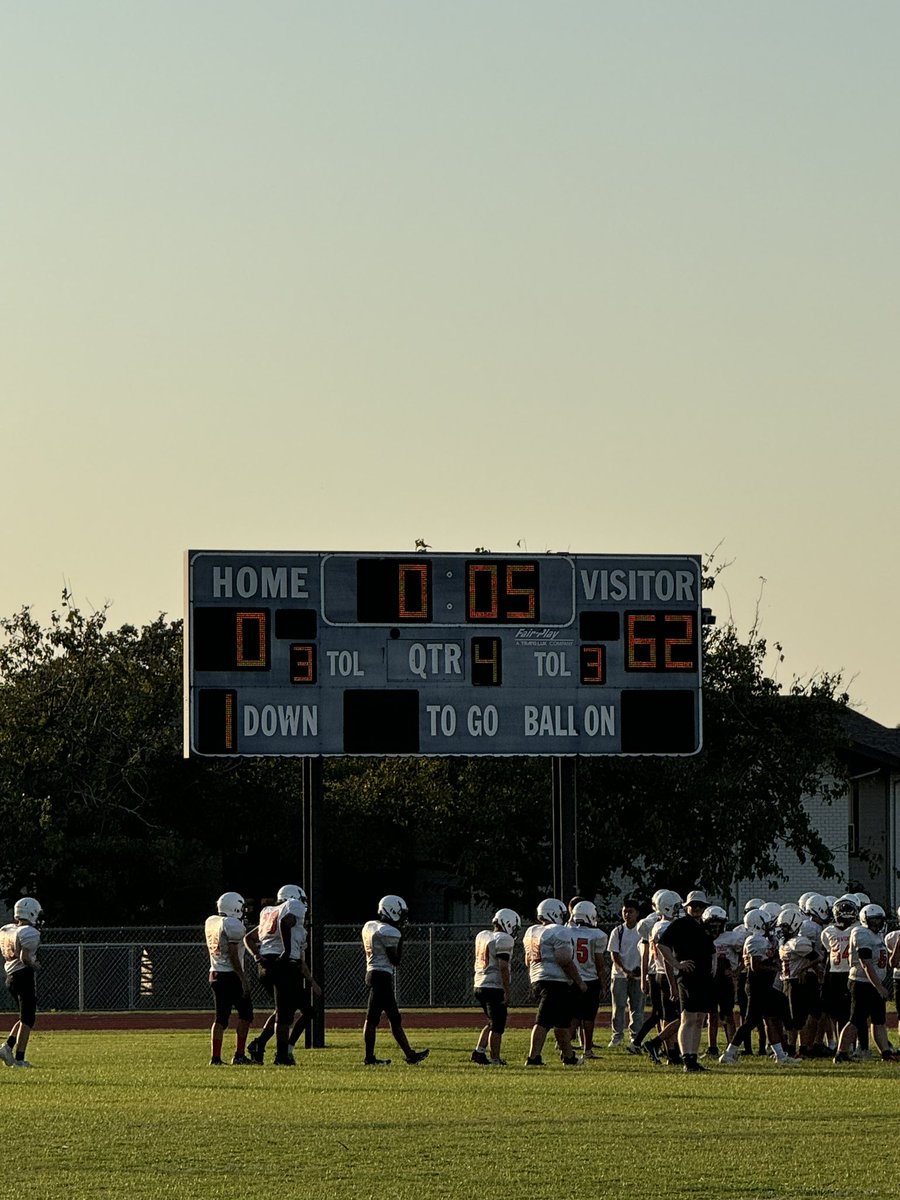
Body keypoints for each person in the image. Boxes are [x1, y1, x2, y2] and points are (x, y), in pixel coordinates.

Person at [244, 884, 321, 1066]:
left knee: (287, 1010)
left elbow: (249, 937)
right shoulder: (292, 907)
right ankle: (282, 1055)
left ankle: (260, 1044)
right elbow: (286, 922)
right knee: (286, 1015)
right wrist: (286, 952)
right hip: (284, 966)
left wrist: (257, 955)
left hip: (268, 966)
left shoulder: (269, 912)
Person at [361, 895, 429, 1066]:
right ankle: (370, 1058)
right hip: (381, 975)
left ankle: (410, 1054)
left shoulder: (370, 926)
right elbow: (395, 960)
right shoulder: (389, 932)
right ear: (392, 911)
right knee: (373, 1018)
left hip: (372, 971)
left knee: (393, 1018)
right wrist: (402, 936)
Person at [655, 889, 716, 1072]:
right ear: (687, 907)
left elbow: (711, 950)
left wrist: (713, 967)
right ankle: (686, 1058)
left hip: (703, 977)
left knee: (699, 1018)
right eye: (693, 905)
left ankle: (693, 1056)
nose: (696, 908)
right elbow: (661, 945)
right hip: (689, 977)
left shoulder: (703, 926)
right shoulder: (680, 924)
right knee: (688, 1018)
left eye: (699, 905)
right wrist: (676, 964)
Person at [522, 897, 587, 1066]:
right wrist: (579, 981)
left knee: (562, 1023)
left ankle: (569, 1057)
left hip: (537, 978)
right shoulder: (559, 931)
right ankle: (533, 1057)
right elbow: (564, 959)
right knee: (543, 1021)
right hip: (554, 981)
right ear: (554, 913)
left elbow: (527, 960)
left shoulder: (531, 932)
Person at [834, 904, 895, 1063]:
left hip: (873, 982)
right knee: (855, 1020)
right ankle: (841, 1053)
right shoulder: (861, 933)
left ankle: (886, 1053)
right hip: (862, 983)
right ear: (865, 919)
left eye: (879, 920)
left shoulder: (875, 935)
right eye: (873, 920)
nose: (877, 924)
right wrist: (879, 986)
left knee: (879, 1020)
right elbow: (866, 963)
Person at [204, 891, 253, 1065]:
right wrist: (242, 977)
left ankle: (215, 1058)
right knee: (246, 1014)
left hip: (214, 972)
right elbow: (233, 953)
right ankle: (239, 1055)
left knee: (220, 1018)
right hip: (230, 974)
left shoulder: (211, 921)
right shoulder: (233, 925)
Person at [471, 908, 520, 1066]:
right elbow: (503, 966)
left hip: (479, 983)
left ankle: (479, 1052)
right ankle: (495, 1058)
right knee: (498, 1025)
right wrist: (507, 990)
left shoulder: (482, 935)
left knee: (492, 1022)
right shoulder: (504, 939)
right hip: (493, 986)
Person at [0, 897, 43, 1068]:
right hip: (22, 975)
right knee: (28, 1019)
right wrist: (34, 965)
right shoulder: (30, 933)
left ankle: (7, 1047)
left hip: (10, 976)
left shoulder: (7, 929)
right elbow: (25, 958)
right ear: (31, 912)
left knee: (25, 1016)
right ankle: (19, 1059)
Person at [567, 900, 608, 1059]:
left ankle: (566, 1048)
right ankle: (587, 1050)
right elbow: (599, 963)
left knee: (574, 1017)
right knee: (588, 1017)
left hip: (572, 979)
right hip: (590, 979)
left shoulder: (567, 932)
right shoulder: (598, 935)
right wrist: (603, 983)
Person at [606, 898, 644, 1048]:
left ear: (637, 913)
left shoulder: (642, 931)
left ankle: (635, 1037)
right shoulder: (618, 931)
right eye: (625, 911)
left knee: (637, 1008)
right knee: (619, 1007)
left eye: (630, 911)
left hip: (638, 975)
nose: (627, 914)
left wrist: (640, 970)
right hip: (620, 975)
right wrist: (624, 970)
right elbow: (614, 954)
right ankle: (617, 1036)